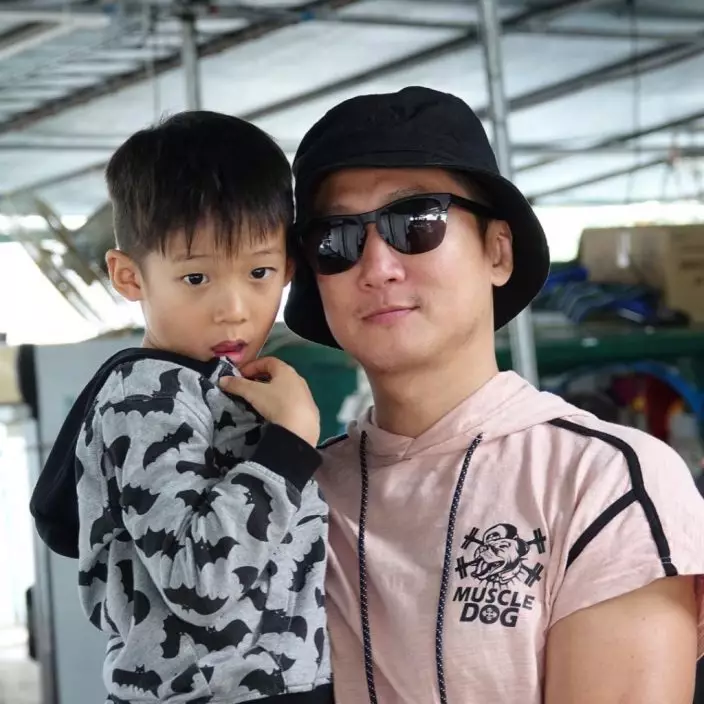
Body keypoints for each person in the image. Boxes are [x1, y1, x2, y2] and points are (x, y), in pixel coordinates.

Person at [222, 86, 704, 703]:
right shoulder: (288, 497)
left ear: (497, 251)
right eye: (334, 239)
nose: (377, 266)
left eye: (416, 221)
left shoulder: (602, 483)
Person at [30, 112, 333, 704]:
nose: (234, 307)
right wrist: (290, 446)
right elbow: (200, 579)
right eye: (196, 277)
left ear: (288, 268)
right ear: (129, 277)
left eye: (260, 271)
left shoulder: (219, 387)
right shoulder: (146, 396)